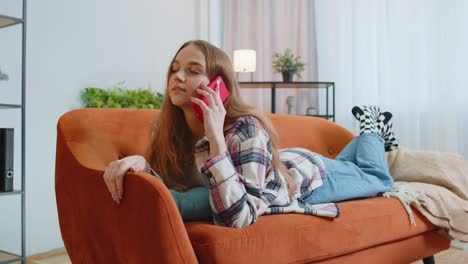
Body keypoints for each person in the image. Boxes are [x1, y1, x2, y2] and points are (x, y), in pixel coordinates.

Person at [103, 40, 397, 228]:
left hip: (311, 177)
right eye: (175, 69)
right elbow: (172, 191)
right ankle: (365, 139)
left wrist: (216, 137)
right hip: (282, 164)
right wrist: (143, 166)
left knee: (378, 178)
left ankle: (371, 129)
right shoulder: (169, 129)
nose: (178, 77)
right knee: (356, 167)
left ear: (219, 85)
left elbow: (241, 217)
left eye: (193, 71)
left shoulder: (246, 130)